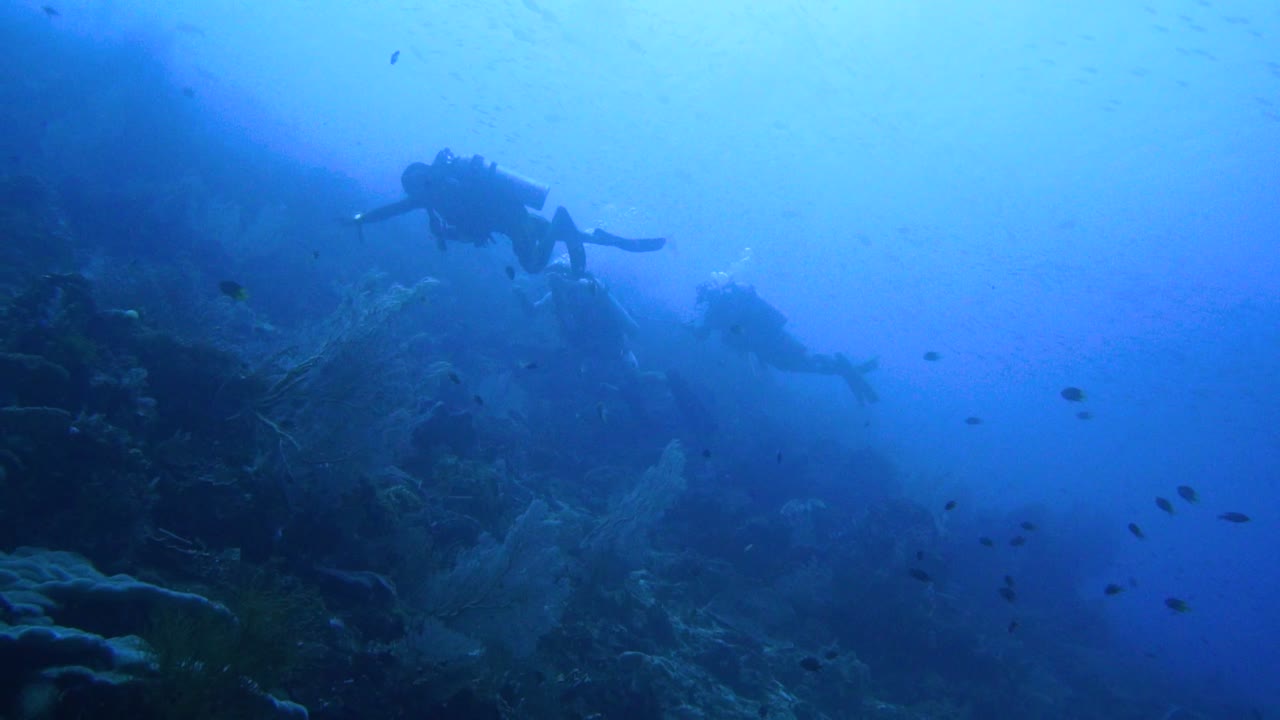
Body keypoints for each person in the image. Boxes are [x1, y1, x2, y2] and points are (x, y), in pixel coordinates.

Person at [346, 149, 666, 274]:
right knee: (580, 238)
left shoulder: (434, 195)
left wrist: (362, 218)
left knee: (533, 266)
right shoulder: (442, 188)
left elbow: (393, 210)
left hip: (514, 223)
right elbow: (470, 230)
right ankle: (619, 240)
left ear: (417, 181)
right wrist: (362, 218)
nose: (412, 193)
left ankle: (562, 220)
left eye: (412, 186)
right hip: (517, 214)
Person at [692, 279, 879, 405]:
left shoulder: (717, 311)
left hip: (766, 346)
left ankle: (842, 368)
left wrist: (689, 328)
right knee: (804, 362)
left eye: (702, 297)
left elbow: (706, 333)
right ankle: (844, 369)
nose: (701, 301)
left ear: (708, 296)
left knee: (802, 365)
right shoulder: (733, 301)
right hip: (775, 338)